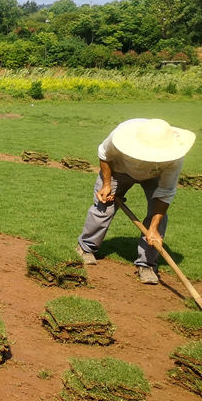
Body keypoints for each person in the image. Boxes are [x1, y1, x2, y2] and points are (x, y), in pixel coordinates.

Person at [76, 118, 195, 284]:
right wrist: (107, 184)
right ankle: (85, 248)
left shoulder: (174, 156)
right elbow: (104, 155)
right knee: (104, 205)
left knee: (158, 217)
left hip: (155, 175)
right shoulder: (120, 136)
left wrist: (152, 229)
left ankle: (146, 265)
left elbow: (165, 192)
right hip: (119, 170)